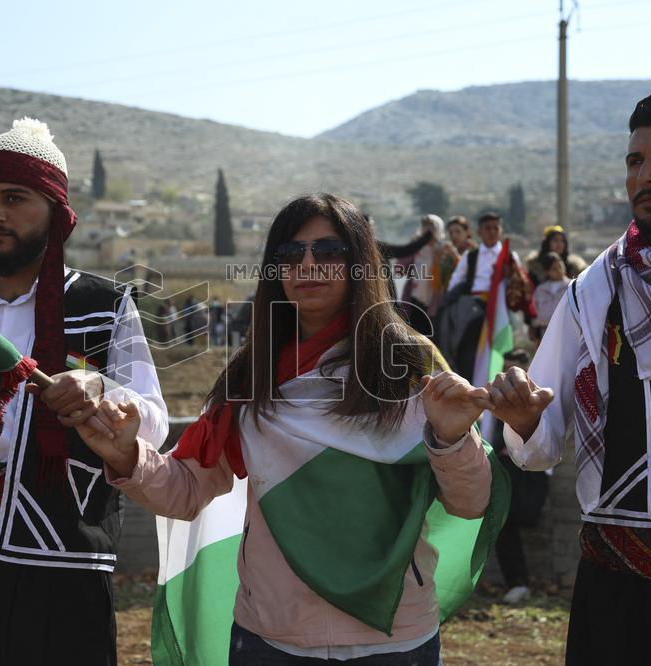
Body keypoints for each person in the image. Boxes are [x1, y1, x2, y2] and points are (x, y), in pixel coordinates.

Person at [79, 194, 505, 665]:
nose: (307, 264)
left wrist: (451, 439)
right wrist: (127, 455)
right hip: (270, 638)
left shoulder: (409, 363)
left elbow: (469, 503)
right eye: (290, 253)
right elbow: (186, 489)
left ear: (360, 264)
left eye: (328, 251)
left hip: (395, 640)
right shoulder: (251, 376)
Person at [488, 86, 651, 666]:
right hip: (620, 593)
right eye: (635, 160)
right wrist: (524, 419)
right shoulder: (595, 291)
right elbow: (539, 446)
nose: (645, 175)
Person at [0, 117, 169, 666]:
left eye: (15, 198)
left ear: (55, 210)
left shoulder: (104, 306)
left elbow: (154, 424)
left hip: (63, 569)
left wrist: (100, 388)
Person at [489, 349, 549, 605]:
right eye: (505, 369)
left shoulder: (536, 397)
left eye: (514, 370)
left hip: (530, 470)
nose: (508, 376)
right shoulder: (494, 399)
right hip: (503, 466)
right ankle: (517, 582)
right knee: (505, 521)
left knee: (522, 517)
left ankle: (523, 581)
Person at [439, 212, 528, 379]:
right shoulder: (471, 255)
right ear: (479, 231)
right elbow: (456, 281)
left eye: (495, 228)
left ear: (501, 230)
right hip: (473, 309)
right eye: (487, 228)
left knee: (500, 352)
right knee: (468, 351)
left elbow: (520, 285)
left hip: (500, 311)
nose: (492, 232)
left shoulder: (509, 256)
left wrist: (509, 276)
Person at [398, 214, 447, 335]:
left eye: (432, 226)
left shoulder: (444, 249)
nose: (428, 229)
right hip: (414, 297)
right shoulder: (416, 247)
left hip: (435, 298)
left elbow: (446, 274)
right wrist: (412, 247)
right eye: (425, 226)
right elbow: (399, 269)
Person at [530, 252, 571, 343]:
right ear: (547, 272)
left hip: (567, 332)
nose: (559, 270)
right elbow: (535, 311)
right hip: (546, 333)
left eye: (560, 266)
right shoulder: (541, 290)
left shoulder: (572, 286)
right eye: (554, 269)